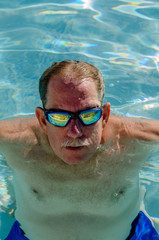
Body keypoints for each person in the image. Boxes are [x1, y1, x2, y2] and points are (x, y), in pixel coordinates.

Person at [1, 60, 159, 240]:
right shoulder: (16, 141)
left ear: (105, 115)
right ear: (43, 120)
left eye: (88, 115)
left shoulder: (134, 140)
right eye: (60, 117)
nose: (75, 132)